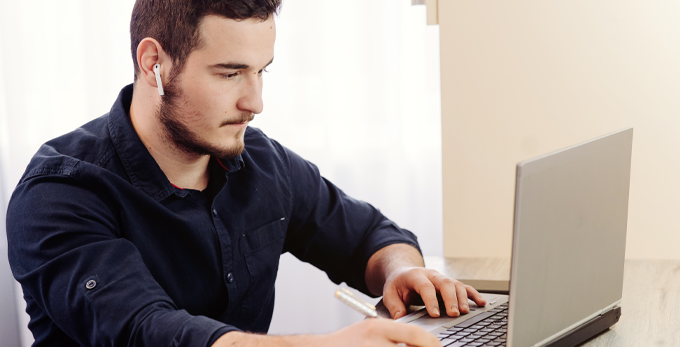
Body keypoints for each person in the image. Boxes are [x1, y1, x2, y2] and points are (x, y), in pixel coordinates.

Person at [6, 1, 486, 346]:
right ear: (153, 63)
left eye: (263, 72)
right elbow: (145, 330)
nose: (255, 103)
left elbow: (369, 236)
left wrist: (401, 272)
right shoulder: (58, 193)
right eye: (230, 73)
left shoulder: (260, 160)